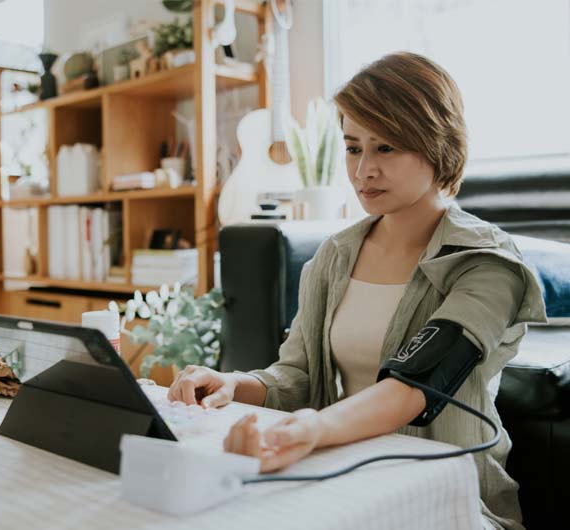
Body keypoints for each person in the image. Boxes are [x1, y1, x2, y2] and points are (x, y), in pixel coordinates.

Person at [167, 52, 546, 530]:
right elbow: (298, 375)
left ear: (437, 145)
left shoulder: (487, 264)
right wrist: (235, 385)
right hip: (344, 478)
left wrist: (313, 429)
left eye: (386, 148)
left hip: (448, 497)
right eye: (352, 147)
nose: (363, 169)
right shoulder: (334, 256)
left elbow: (415, 386)